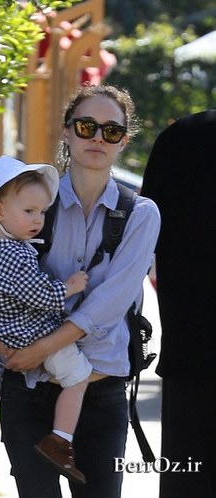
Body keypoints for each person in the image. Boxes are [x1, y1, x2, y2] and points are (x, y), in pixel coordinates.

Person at [0, 85, 160, 498]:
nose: (98, 138)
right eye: (87, 126)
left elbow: (110, 303)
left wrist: (40, 348)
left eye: (111, 130)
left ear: (124, 140)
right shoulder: (30, 204)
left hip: (101, 395)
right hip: (29, 389)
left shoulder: (141, 214)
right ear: (67, 132)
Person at [0, 156, 91, 484]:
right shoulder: (17, 253)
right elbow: (39, 295)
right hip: (29, 334)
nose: (38, 220)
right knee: (78, 376)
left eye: (43, 212)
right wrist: (69, 287)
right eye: (29, 211)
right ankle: (60, 440)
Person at [141, 109, 216, 498]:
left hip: (190, 356)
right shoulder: (182, 138)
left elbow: (140, 246)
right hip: (190, 360)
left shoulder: (181, 137)